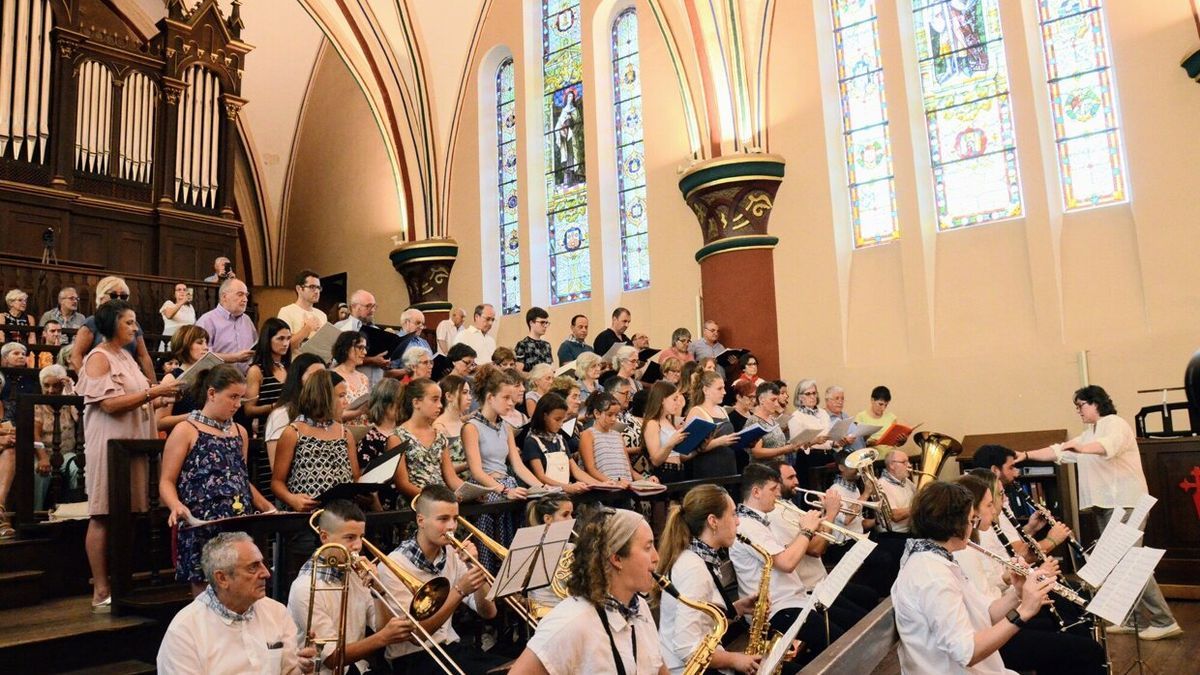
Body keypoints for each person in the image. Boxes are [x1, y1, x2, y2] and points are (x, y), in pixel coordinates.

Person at [1018, 385, 1183, 639]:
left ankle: (1163, 620)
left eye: (1081, 405)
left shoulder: (1114, 423)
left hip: (1125, 503)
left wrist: (1079, 448)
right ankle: (1133, 619)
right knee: (1117, 563)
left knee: (1128, 561)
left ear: (1097, 404)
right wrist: (1025, 454)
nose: (1079, 411)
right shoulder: (1087, 435)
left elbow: (1107, 447)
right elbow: (1057, 451)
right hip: (1107, 505)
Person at [77, 300, 180, 611]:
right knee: (103, 513)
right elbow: (109, 404)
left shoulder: (126, 356)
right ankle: (101, 588)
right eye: (129, 323)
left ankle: (122, 579)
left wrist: (167, 395)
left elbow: (140, 400)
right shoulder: (98, 357)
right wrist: (153, 393)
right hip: (111, 444)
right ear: (111, 325)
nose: (135, 328)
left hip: (135, 440)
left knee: (131, 512)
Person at [892, 481, 1055, 675]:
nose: (973, 527)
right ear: (954, 525)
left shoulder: (938, 559)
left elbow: (986, 613)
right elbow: (966, 652)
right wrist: (1025, 611)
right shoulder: (932, 575)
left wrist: (1018, 593)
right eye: (971, 521)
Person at [952, 475, 1107, 674]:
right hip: (992, 640)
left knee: (1075, 629)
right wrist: (1021, 598)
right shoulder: (965, 550)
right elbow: (986, 615)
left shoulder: (974, 540)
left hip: (1000, 621)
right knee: (1084, 647)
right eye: (990, 503)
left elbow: (990, 597)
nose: (996, 509)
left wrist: (1019, 587)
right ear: (971, 511)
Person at [160, 365, 274, 595]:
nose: (237, 404)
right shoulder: (186, 430)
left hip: (237, 522)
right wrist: (176, 505)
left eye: (241, 398)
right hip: (201, 523)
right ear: (212, 393)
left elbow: (240, 477)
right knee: (206, 597)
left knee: (242, 588)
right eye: (232, 397)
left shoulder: (239, 431)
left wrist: (266, 506)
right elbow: (167, 481)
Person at [511, 507, 666, 675]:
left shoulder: (639, 607)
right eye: (648, 547)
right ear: (617, 558)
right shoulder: (570, 622)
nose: (656, 557)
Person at [379, 485, 508, 674]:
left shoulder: (452, 553)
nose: (452, 527)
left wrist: (474, 565)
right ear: (421, 520)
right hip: (413, 659)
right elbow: (416, 635)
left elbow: (489, 612)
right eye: (443, 519)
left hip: (449, 648)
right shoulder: (393, 565)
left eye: (455, 519)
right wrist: (459, 591)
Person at [730, 463, 843, 667]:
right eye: (773, 489)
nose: (778, 493)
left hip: (794, 601)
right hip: (778, 610)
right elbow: (787, 563)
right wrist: (807, 530)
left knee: (842, 633)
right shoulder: (747, 526)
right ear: (756, 492)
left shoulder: (758, 522)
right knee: (838, 642)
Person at [158, 533, 317, 674]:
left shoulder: (276, 612)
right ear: (222, 578)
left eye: (263, 563)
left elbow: (289, 671)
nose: (266, 573)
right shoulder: (184, 631)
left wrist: (303, 668)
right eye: (253, 567)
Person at [287, 501, 413, 673]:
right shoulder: (304, 587)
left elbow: (380, 627)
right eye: (349, 538)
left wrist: (379, 590)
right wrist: (382, 638)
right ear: (324, 537)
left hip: (359, 669)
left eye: (361, 537)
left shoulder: (354, 573)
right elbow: (331, 659)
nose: (358, 546)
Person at [656, 484, 766, 674]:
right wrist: (734, 659)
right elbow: (687, 649)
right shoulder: (693, 568)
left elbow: (701, 621)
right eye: (733, 514)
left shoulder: (697, 558)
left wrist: (738, 608)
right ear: (713, 521)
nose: (738, 521)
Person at [766, 461, 878, 622]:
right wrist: (831, 514)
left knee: (869, 596)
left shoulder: (787, 506)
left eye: (796, 476)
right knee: (860, 616)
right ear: (774, 483)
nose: (797, 481)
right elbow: (815, 550)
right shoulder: (776, 514)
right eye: (791, 477)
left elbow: (815, 538)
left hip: (821, 582)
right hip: (810, 589)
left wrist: (825, 512)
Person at [461, 367, 538, 570]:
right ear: (489, 397)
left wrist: (541, 486)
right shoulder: (471, 427)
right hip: (487, 488)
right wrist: (503, 490)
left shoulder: (505, 427)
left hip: (507, 483)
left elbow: (517, 465)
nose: (511, 403)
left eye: (512, 398)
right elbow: (476, 470)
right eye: (506, 398)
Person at [271, 371, 360, 512]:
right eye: (341, 396)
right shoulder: (293, 433)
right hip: (308, 517)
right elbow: (277, 482)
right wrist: (292, 499)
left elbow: (356, 478)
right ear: (324, 397)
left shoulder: (345, 433)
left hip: (342, 515)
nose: (346, 402)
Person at [971, 444, 1067, 562]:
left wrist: (1031, 528)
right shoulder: (993, 505)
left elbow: (1005, 542)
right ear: (995, 470)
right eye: (1011, 468)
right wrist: (1052, 540)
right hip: (1003, 576)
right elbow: (1020, 555)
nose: (1016, 474)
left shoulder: (994, 500)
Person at [70, 276, 157, 383]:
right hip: (103, 381)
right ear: (101, 297)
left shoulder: (134, 324)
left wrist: (154, 386)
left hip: (128, 380)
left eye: (124, 296)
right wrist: (88, 381)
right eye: (114, 295)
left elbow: (143, 356)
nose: (119, 299)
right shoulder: (92, 322)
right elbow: (76, 356)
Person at [391, 377, 463, 498]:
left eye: (440, 400)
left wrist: (468, 492)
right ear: (416, 403)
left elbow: (451, 478)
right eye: (434, 400)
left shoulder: (440, 436)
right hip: (415, 504)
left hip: (441, 500)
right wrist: (435, 499)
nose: (440, 405)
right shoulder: (397, 437)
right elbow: (402, 483)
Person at [263, 354, 327, 467]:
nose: (319, 382)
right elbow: (276, 467)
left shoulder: (325, 412)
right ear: (298, 378)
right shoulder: (282, 414)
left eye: (323, 376)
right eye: (314, 376)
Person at [32, 365, 80, 511]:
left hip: (66, 454)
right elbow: (35, 434)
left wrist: (70, 391)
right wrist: (43, 457)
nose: (51, 391)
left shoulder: (68, 403)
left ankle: (74, 512)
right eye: (46, 386)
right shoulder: (38, 405)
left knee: (77, 468)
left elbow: (80, 418)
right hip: (42, 453)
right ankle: (36, 513)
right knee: (40, 472)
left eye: (56, 386)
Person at [580, 392, 655, 487]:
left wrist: (646, 480)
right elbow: (590, 469)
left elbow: (629, 469)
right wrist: (613, 482)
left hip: (625, 488)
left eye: (616, 415)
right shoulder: (588, 434)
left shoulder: (618, 435)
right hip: (605, 490)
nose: (614, 419)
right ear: (597, 413)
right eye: (610, 415)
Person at [521, 393, 592, 492]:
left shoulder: (560, 440)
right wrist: (566, 487)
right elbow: (540, 476)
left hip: (564, 491)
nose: (560, 424)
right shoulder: (532, 441)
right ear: (544, 416)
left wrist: (598, 483)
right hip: (544, 497)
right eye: (557, 419)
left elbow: (576, 471)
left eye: (563, 420)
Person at [356, 378, 403, 509]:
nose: (402, 406)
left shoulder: (404, 432)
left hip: (402, 499)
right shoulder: (369, 435)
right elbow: (365, 474)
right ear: (385, 404)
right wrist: (376, 506)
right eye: (398, 402)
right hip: (379, 502)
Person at [155, 325, 212, 432]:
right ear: (185, 345)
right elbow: (160, 422)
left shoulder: (209, 374)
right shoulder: (172, 378)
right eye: (199, 343)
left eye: (206, 343)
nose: (206, 347)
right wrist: (192, 416)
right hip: (182, 437)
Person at [194, 278, 257, 374]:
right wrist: (234, 358)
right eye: (240, 294)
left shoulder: (247, 320)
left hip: (246, 381)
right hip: (218, 382)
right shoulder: (207, 320)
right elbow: (201, 356)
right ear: (224, 297)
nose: (245, 299)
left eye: (246, 295)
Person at [525, 493, 575, 616]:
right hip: (546, 611)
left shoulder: (571, 547)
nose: (571, 520)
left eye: (572, 514)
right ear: (548, 519)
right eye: (565, 515)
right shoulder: (532, 549)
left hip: (571, 610)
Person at [684, 372, 739, 479]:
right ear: (706, 390)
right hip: (709, 469)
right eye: (719, 389)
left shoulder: (722, 410)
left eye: (724, 388)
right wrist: (720, 441)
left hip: (729, 466)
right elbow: (689, 449)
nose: (724, 392)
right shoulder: (697, 411)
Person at [243, 318, 292, 434]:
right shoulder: (256, 371)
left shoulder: (288, 368)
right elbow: (248, 409)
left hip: (290, 429)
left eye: (288, 338)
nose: (285, 343)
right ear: (267, 340)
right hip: (269, 430)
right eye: (280, 338)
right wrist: (274, 407)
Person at [334, 290, 390, 386]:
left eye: (374, 306)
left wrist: (386, 360)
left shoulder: (377, 330)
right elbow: (336, 360)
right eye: (368, 306)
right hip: (352, 388)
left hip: (377, 387)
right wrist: (372, 360)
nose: (372, 310)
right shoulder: (340, 328)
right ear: (354, 306)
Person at [641, 382, 691, 483]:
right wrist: (672, 442)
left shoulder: (669, 421)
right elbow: (655, 460)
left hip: (679, 471)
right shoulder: (652, 423)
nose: (678, 403)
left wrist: (699, 448)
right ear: (662, 400)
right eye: (674, 399)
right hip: (664, 473)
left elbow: (678, 456)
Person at [746, 381, 802, 465]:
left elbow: (777, 444)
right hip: (764, 472)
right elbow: (757, 452)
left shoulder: (772, 420)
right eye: (773, 400)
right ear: (761, 399)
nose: (776, 404)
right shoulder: (753, 421)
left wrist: (792, 446)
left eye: (777, 399)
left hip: (778, 469)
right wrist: (784, 449)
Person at [277, 270, 327, 354]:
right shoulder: (286, 311)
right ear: (299, 289)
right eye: (312, 287)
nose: (316, 291)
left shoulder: (322, 315)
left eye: (318, 288)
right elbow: (283, 346)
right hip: (296, 364)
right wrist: (307, 329)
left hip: (318, 363)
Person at [433, 375, 471, 479]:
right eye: (464, 393)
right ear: (449, 396)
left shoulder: (464, 424)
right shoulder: (439, 427)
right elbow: (438, 470)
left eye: (469, 393)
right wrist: (469, 464)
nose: (469, 397)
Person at [329, 331, 369, 423]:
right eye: (360, 347)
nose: (365, 352)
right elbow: (331, 413)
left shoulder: (363, 378)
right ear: (346, 348)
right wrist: (358, 412)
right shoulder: (332, 376)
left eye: (365, 348)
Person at [854, 386, 903, 452]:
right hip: (871, 455)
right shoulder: (861, 417)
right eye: (880, 404)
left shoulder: (892, 417)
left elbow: (896, 443)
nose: (883, 408)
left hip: (891, 456)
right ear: (872, 400)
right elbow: (856, 442)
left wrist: (901, 441)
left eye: (886, 405)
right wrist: (868, 442)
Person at [159, 283, 197, 349]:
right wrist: (182, 302)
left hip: (186, 340)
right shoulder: (169, 303)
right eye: (179, 290)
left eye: (184, 290)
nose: (182, 291)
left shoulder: (190, 307)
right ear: (174, 294)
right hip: (172, 339)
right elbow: (169, 315)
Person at [515, 307, 553, 372]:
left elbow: (551, 367)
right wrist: (537, 377)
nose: (545, 326)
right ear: (531, 323)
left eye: (546, 323)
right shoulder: (522, 345)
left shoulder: (547, 345)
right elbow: (518, 373)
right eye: (542, 322)